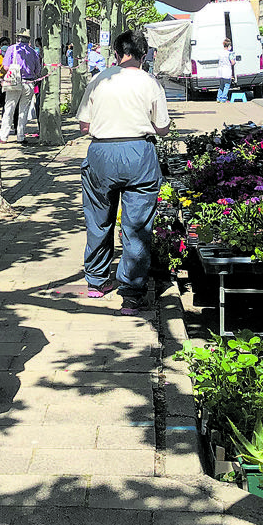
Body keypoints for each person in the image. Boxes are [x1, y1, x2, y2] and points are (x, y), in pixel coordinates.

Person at [76, 30, 171, 315]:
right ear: (144, 56)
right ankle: (130, 295)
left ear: (117, 54)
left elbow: (83, 126)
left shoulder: (99, 79)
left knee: (98, 220)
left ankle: (96, 281)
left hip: (101, 153)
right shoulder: (150, 82)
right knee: (136, 225)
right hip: (138, 153)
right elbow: (163, 127)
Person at [0, 28, 41, 144]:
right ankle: (21, 136)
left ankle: (4, 136)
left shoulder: (12, 49)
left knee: (9, 108)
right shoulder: (33, 52)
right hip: (28, 83)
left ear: (18, 38)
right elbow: (37, 70)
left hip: (14, 82)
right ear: (28, 40)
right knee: (24, 110)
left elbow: (6, 66)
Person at [216, 38, 236, 103]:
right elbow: (232, 62)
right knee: (227, 85)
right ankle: (223, 98)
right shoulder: (229, 54)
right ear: (229, 46)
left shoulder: (220, 53)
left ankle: (218, 98)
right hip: (227, 70)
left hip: (220, 70)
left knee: (221, 85)